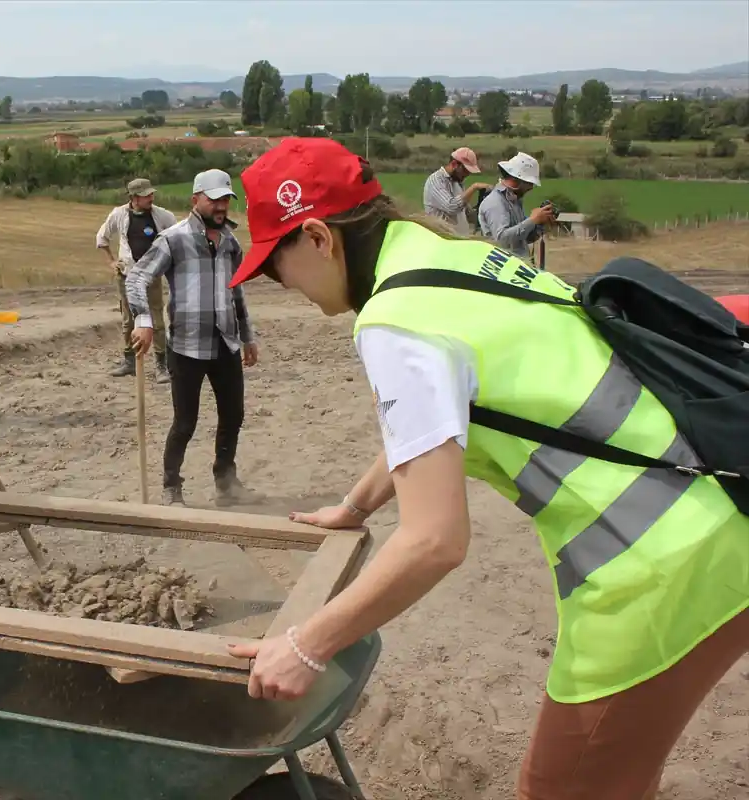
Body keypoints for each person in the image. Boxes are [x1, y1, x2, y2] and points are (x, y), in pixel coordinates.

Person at [222, 138, 747, 800]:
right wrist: (354, 509)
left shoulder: (394, 321)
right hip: (724, 505)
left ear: (320, 239)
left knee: (563, 790)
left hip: (663, 565)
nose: (282, 285)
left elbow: (435, 542)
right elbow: (433, 426)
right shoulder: (460, 261)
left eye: (275, 266)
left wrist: (306, 645)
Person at [126, 169, 259, 507]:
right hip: (186, 346)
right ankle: (172, 486)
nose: (220, 206)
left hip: (225, 343)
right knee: (185, 421)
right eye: (214, 199)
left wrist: (247, 336)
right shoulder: (174, 238)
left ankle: (225, 482)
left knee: (234, 415)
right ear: (196, 199)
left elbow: (236, 291)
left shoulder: (230, 242)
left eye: (225, 199)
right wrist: (143, 320)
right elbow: (137, 278)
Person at [96, 178, 176, 382]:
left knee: (156, 321)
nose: (151, 197)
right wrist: (112, 261)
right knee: (128, 321)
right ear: (133, 198)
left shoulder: (162, 216)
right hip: (127, 276)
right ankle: (129, 362)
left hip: (152, 276)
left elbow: (177, 237)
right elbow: (102, 237)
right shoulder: (119, 215)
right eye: (145, 195)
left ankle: (161, 365)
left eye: (151, 194)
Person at [478, 151, 555, 259]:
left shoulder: (515, 201)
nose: (531, 187)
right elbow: (502, 241)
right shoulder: (494, 202)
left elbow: (523, 238)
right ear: (517, 179)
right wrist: (532, 220)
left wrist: (540, 223)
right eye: (529, 183)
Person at [422, 146, 486, 236]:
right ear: (454, 164)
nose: (467, 174)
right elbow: (451, 207)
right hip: (442, 239)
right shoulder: (436, 180)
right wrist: (474, 188)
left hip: (458, 240)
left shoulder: (457, 182)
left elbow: (466, 212)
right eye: (465, 170)